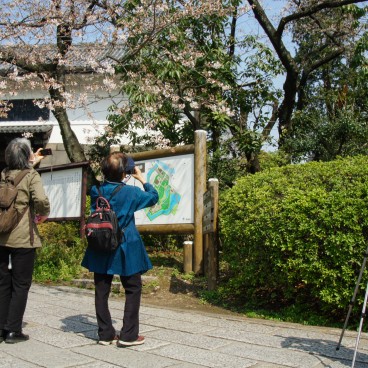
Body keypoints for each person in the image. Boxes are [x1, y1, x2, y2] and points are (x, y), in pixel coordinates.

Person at [82, 152, 159, 347]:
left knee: (101, 289)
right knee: (133, 288)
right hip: (125, 244)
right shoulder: (131, 192)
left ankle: (105, 333)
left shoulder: (95, 190)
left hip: (100, 243)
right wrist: (141, 179)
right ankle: (128, 335)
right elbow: (153, 197)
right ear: (125, 173)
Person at [0, 138, 50, 344]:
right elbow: (40, 200)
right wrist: (44, 213)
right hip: (23, 238)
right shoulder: (31, 176)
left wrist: (31, 161)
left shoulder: (3, 175)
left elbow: (18, 175)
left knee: (2, 283)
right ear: (26, 156)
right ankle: (13, 330)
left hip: (2, 237)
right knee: (21, 284)